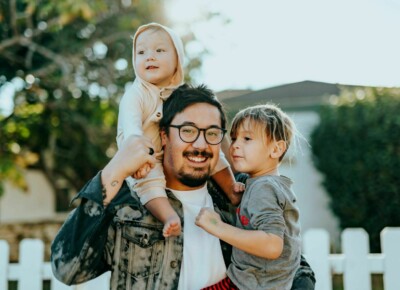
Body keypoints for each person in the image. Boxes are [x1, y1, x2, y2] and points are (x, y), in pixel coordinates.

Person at [51, 84, 315, 290]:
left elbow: (293, 264)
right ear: (164, 136)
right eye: (188, 130)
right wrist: (114, 170)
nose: (200, 145)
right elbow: (67, 269)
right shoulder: (127, 203)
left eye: (212, 133)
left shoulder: (238, 194)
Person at [117, 23, 242, 237]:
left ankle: (232, 189)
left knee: (213, 153)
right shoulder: (136, 94)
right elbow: (132, 132)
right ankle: (169, 216)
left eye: (159, 50)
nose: (150, 57)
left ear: (177, 60)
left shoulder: (182, 95)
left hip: (170, 153)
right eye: (141, 52)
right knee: (150, 183)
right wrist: (139, 160)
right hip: (142, 156)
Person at [196, 104, 302, 289]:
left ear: (276, 149)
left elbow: (272, 245)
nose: (235, 144)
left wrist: (216, 226)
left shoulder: (264, 188)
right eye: (234, 138)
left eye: (247, 138)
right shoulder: (267, 184)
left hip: (249, 284)